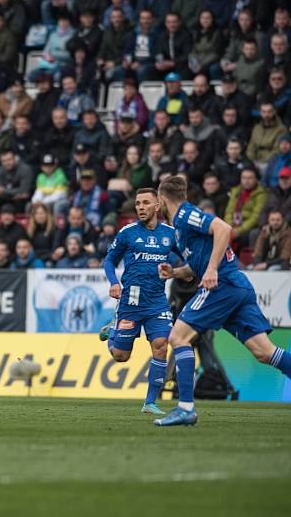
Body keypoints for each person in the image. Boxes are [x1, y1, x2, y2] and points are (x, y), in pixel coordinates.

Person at [154, 176, 291, 426]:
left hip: (223, 285)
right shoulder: (180, 230)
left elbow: (223, 228)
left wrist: (212, 270)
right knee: (264, 352)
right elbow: (196, 267)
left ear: (163, 200)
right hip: (236, 286)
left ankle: (185, 409)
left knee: (178, 337)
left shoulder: (185, 215)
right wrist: (175, 272)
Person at [99, 188, 176, 415]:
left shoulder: (170, 234)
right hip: (131, 300)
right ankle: (112, 332)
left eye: (145, 203)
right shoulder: (128, 232)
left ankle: (150, 403)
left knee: (161, 346)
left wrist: (186, 271)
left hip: (158, 302)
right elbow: (109, 260)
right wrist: (114, 282)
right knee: (120, 357)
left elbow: (186, 256)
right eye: (137, 203)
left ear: (157, 206)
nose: (140, 207)